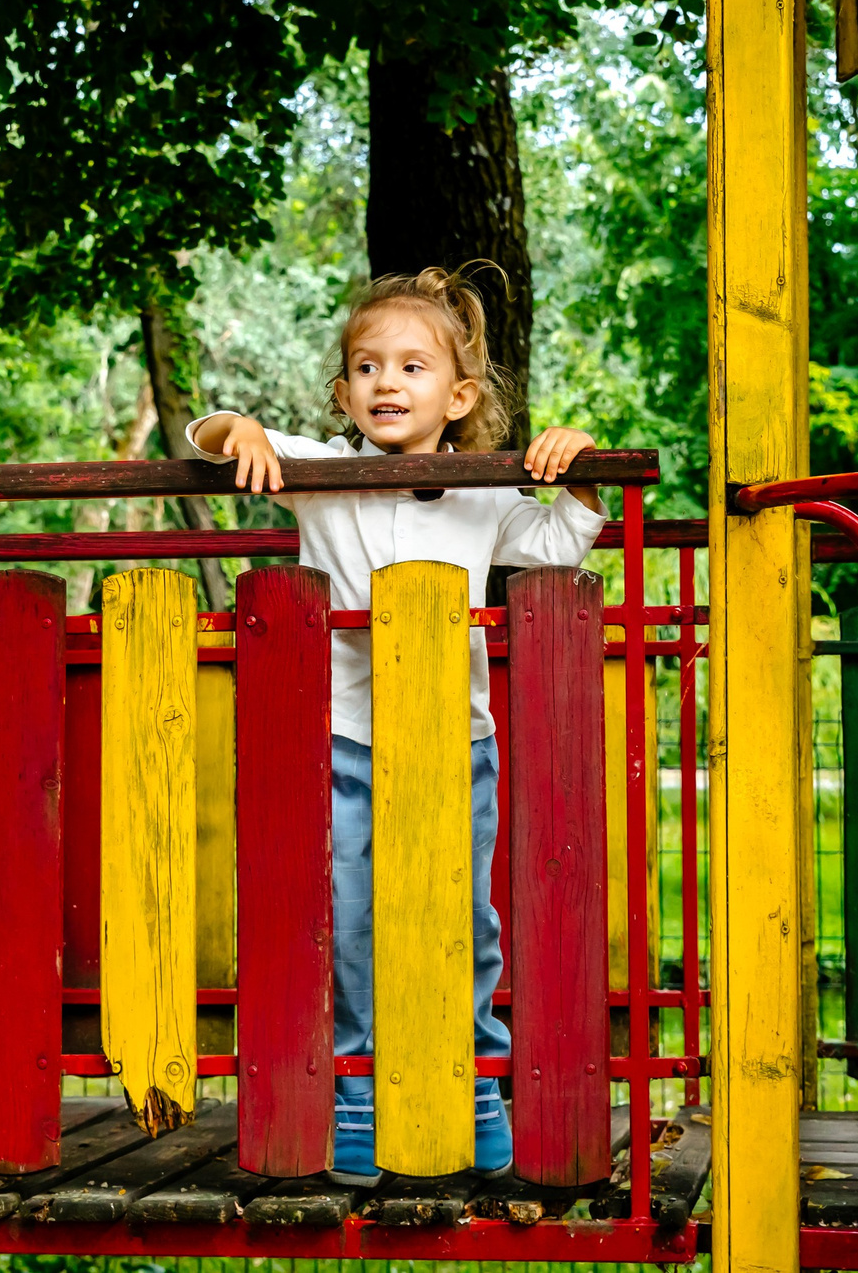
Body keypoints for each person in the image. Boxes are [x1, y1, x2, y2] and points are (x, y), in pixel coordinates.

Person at [185, 266, 604, 1185]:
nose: (386, 382)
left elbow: (556, 542)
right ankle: (361, 1099)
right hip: (341, 738)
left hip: (460, 741)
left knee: (467, 915)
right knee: (351, 918)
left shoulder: (486, 489)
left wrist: (580, 468)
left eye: (412, 367)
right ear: (344, 394)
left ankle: (479, 1084)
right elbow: (206, 435)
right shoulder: (321, 474)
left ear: (456, 397)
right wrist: (240, 430)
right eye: (367, 366)